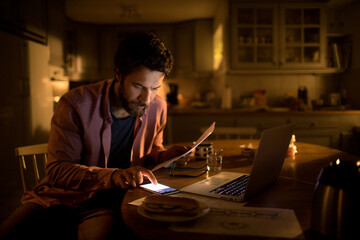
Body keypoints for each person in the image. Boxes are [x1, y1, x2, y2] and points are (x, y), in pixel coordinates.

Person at [0, 31, 189, 240]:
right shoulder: (75, 104)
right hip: (55, 199)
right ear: (119, 74)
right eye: (138, 86)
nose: (147, 98)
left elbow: (152, 150)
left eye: (155, 88)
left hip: (103, 207)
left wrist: (165, 156)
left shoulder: (158, 107)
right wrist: (114, 175)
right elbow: (58, 171)